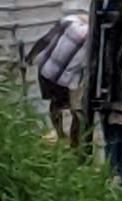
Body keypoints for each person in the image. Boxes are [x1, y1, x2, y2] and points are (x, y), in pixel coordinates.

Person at [27, 12, 89, 149]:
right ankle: (74, 144)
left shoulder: (68, 21)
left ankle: (60, 135)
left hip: (47, 70)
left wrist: (30, 57)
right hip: (68, 78)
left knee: (56, 105)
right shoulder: (91, 35)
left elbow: (46, 40)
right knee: (76, 110)